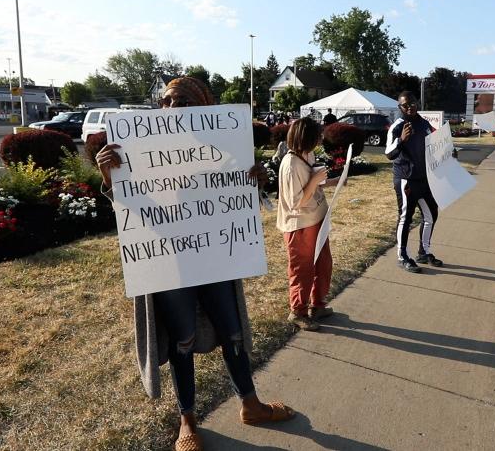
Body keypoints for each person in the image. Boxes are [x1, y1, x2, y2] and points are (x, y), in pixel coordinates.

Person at [95, 77, 294, 451]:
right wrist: (112, 176)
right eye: (168, 101)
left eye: (184, 101)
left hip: (213, 256)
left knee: (232, 330)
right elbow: (134, 206)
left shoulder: (225, 148)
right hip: (169, 260)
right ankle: (187, 421)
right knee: (181, 338)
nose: (173, 108)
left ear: (203, 106)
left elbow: (238, 200)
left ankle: (250, 404)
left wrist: (255, 179)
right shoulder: (140, 147)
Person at [277, 117, 341, 331]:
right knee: (302, 269)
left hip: (317, 219)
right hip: (300, 225)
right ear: (306, 138)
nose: (321, 139)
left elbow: (312, 182)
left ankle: (318, 305)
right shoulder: (291, 164)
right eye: (318, 136)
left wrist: (333, 181)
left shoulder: (307, 154)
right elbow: (297, 202)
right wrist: (315, 181)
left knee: (323, 264)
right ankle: (298, 311)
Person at [385, 90, 443, 273]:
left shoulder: (424, 123)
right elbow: (388, 153)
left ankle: (424, 252)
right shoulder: (397, 126)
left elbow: (432, 146)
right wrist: (401, 140)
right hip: (405, 179)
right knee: (405, 217)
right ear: (399, 107)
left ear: (417, 103)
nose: (410, 107)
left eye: (412, 103)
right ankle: (402, 256)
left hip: (423, 179)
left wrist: (448, 151)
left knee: (431, 214)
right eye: (405, 105)